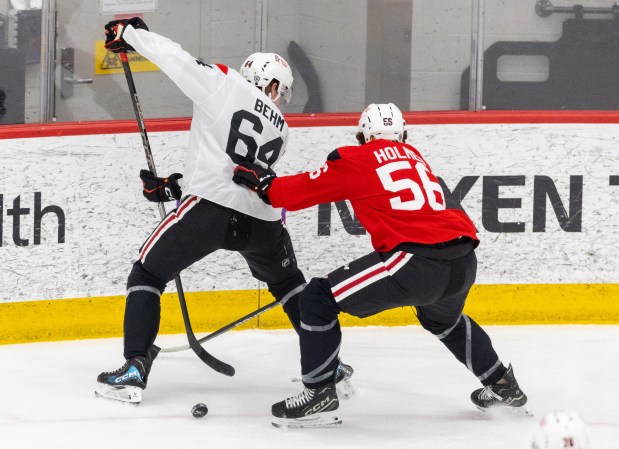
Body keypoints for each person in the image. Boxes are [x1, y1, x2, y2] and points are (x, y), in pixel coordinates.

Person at [95, 17, 352, 404]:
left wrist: (131, 34)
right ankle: (330, 366)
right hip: (262, 222)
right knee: (288, 285)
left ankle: (134, 368)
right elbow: (237, 170)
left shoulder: (224, 83)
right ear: (272, 83)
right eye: (280, 89)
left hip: (210, 211)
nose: (280, 97)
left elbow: (176, 59)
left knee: (147, 273)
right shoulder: (282, 127)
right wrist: (172, 186)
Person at [232, 103, 529, 428]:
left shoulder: (354, 158)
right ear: (403, 134)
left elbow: (290, 194)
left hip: (416, 262)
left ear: (363, 135)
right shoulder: (415, 157)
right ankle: (503, 385)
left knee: (316, 297)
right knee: (446, 323)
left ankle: (319, 395)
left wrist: (262, 182)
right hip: (463, 259)